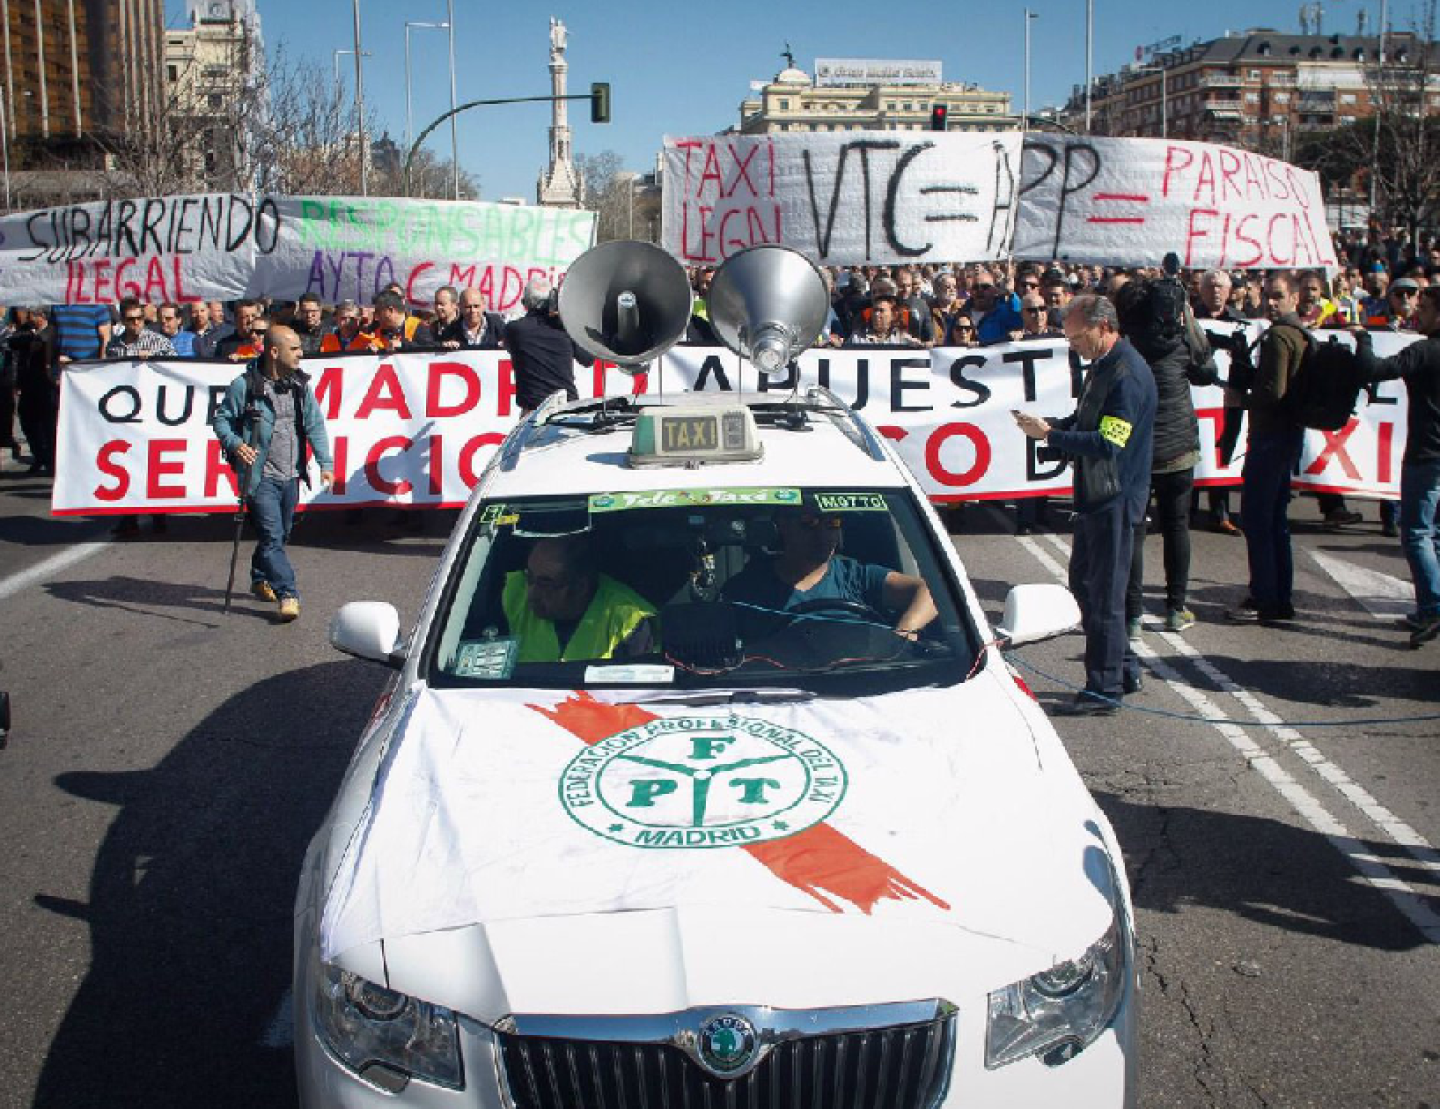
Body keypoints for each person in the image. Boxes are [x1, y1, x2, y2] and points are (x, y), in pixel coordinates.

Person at [1015, 295, 1157, 715]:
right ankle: (1123, 666)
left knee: (1105, 597)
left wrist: (1051, 437)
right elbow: (1087, 421)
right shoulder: (1103, 365)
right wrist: (1053, 427)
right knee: (1085, 588)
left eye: (1078, 337)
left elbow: (1109, 442)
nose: (1072, 344)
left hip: (1114, 498)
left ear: (1104, 327)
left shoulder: (1126, 374)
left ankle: (1103, 688)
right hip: (1096, 497)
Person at [211, 325, 334, 622]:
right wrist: (236, 444)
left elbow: (314, 425)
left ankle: (258, 576)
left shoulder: (300, 386)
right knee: (272, 536)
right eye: (294, 349)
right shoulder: (245, 386)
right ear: (274, 352)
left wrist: (325, 463)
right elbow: (221, 421)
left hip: (290, 474)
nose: (301, 354)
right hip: (260, 476)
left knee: (281, 534)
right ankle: (288, 593)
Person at [1351, 286, 1440, 646]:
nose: (1419, 313)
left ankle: (1433, 606)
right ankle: (1428, 605)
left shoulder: (1425, 351)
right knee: (1435, 534)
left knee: (1417, 532)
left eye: (1427, 308)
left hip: (1427, 453)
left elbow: (1375, 369)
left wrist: (1364, 341)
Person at [722, 503, 936, 638]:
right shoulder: (745, 589)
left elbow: (931, 591)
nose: (823, 535)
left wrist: (904, 632)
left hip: (861, 683)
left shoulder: (855, 576)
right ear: (782, 525)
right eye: (809, 523)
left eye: (832, 523)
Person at [1227, 274, 1308, 624]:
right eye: (1269, 297)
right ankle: (1279, 596)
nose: (1272, 303)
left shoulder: (1278, 336)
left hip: (1270, 437)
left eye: (1279, 297)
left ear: (1293, 297)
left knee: (1258, 519)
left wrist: (1240, 398)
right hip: (1287, 436)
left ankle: (1265, 596)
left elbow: (1273, 393)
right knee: (1275, 521)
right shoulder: (1301, 334)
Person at [502, 534, 657, 662]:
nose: (532, 593)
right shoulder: (510, 594)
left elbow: (638, 689)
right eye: (529, 578)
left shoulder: (630, 620)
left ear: (580, 587)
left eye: (546, 583)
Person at [1194, 268, 1246, 536]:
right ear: (1201, 290)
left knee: (1219, 454)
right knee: (1191, 452)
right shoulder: (1189, 317)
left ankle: (1220, 513)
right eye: (1210, 286)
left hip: (1225, 399)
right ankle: (1187, 511)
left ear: (1229, 292)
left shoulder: (1240, 321)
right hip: (1193, 396)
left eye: (1220, 286)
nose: (1215, 290)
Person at [504, 276, 594, 414]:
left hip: (533, 412)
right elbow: (588, 360)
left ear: (524, 303)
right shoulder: (565, 329)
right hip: (567, 407)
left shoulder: (514, 330)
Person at [7, 306, 58, 475]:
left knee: (48, 423)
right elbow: (13, 341)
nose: (29, 318)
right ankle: (39, 456)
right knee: (28, 420)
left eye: (32, 315)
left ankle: (50, 459)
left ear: (41, 316)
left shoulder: (52, 332)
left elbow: (47, 349)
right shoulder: (27, 331)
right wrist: (31, 335)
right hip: (28, 383)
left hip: (46, 384)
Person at [845, 293, 923, 347]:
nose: (876, 314)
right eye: (875, 310)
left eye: (881, 311)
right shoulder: (857, 337)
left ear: (893, 315)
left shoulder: (902, 339)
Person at [106, 299, 178, 358]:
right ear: (122, 320)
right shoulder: (113, 345)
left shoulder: (160, 342)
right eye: (131, 319)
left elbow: (174, 367)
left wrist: (154, 358)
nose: (136, 322)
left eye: (139, 318)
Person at [438, 288, 505, 349]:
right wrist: (445, 347)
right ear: (460, 307)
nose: (473, 310)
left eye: (476, 306)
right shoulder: (450, 331)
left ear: (483, 305)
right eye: (468, 307)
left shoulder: (497, 325)